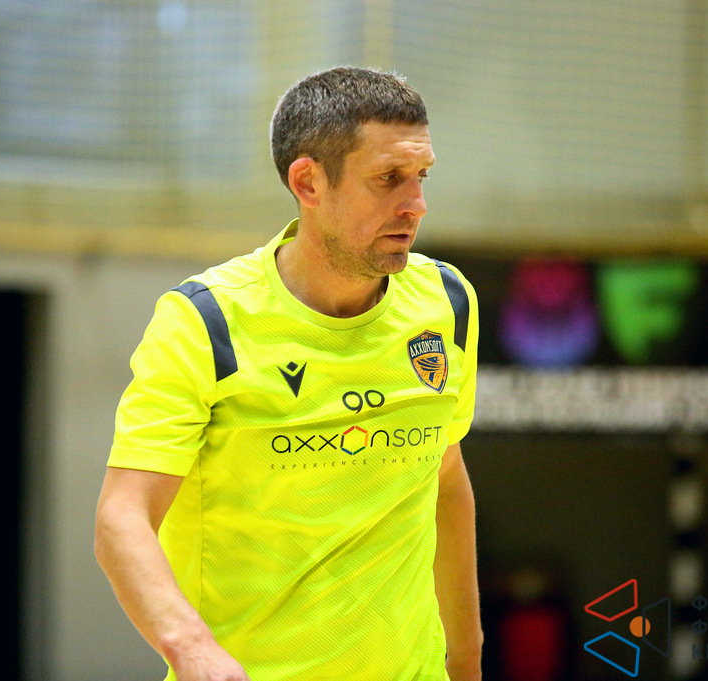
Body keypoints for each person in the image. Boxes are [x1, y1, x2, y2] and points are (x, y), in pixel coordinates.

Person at [95, 66, 483, 681]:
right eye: (388, 178)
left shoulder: (447, 302)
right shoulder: (206, 322)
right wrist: (191, 648)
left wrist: (466, 658)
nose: (416, 204)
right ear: (308, 182)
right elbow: (122, 519)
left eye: (421, 176)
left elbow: (446, 479)